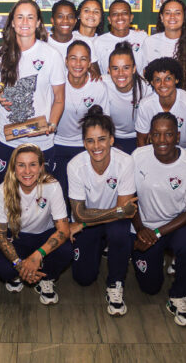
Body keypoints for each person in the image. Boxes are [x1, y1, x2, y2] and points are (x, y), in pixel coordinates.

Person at [131, 112, 186, 326]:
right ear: (150, 137)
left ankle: (179, 295)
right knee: (150, 288)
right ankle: (157, 260)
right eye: (157, 134)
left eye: (168, 134)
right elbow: (129, 197)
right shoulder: (138, 156)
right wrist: (140, 229)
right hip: (144, 226)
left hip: (174, 226)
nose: (162, 140)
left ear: (178, 136)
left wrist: (157, 233)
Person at [67, 106, 138, 315]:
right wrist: (115, 212)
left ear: (112, 140)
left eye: (102, 139)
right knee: (83, 279)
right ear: (83, 143)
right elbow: (80, 213)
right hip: (94, 221)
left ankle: (116, 282)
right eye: (90, 140)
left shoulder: (125, 161)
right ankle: (97, 248)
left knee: (119, 233)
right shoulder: (75, 165)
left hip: (99, 222)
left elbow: (126, 212)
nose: (96, 146)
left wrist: (84, 220)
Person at [0, 0, 65, 189]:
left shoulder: (51, 54)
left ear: (38, 22)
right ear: (12, 22)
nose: (24, 22)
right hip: (7, 138)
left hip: (40, 140)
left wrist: (52, 124)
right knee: (5, 193)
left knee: (41, 197)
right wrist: (0, 97)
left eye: (30, 17)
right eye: (20, 17)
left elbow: (59, 98)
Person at [0, 144, 72, 304]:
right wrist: (19, 265)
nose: (27, 171)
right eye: (21, 165)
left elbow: (63, 230)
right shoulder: (3, 189)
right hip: (17, 237)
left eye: (33, 165)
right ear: (14, 168)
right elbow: (0, 235)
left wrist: (37, 256)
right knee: (3, 270)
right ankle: (21, 274)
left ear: (41, 167)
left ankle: (46, 277)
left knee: (66, 250)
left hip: (44, 236)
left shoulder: (52, 186)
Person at [53, 41, 109, 205]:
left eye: (83, 59)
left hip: (85, 147)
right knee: (60, 195)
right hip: (57, 144)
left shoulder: (98, 87)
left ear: (90, 62)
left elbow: (103, 124)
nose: (78, 64)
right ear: (65, 61)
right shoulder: (56, 82)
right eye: (73, 58)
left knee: (84, 197)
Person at [136, 57, 186, 169]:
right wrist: (146, 164)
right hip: (159, 150)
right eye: (158, 80)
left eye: (168, 78)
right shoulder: (146, 105)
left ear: (176, 80)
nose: (163, 84)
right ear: (152, 82)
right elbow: (141, 140)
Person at [142, 0, 186, 95]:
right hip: (157, 97)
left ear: (184, 17)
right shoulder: (150, 42)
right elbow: (144, 75)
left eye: (177, 13)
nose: (172, 17)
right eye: (168, 13)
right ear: (161, 17)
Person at [103, 41, 152, 154]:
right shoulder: (102, 84)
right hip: (111, 138)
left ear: (134, 68)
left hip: (139, 137)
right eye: (115, 68)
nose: (121, 73)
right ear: (108, 70)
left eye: (126, 68)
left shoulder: (146, 89)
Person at [94, 0, 147, 75]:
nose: (120, 17)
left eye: (124, 13)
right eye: (115, 14)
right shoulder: (99, 42)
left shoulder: (142, 37)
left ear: (131, 17)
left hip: (137, 86)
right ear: (109, 19)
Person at [47, 0, 98, 66]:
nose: (65, 20)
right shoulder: (44, 43)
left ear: (75, 21)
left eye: (70, 16)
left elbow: (95, 74)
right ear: (52, 21)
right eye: (60, 16)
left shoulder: (85, 42)